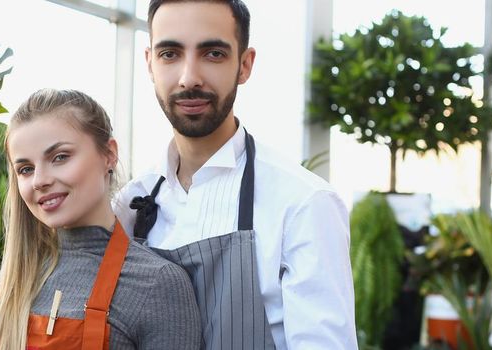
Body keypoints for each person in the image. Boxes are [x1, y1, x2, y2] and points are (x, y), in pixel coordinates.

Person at [113, 1, 358, 349]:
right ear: (150, 63)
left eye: (213, 53)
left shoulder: (303, 204)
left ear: (244, 65)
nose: (189, 78)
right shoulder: (131, 203)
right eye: (170, 54)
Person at [0, 89, 201, 350]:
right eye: (26, 169)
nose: (40, 180)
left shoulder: (157, 285)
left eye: (60, 157)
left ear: (109, 155)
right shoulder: (8, 290)